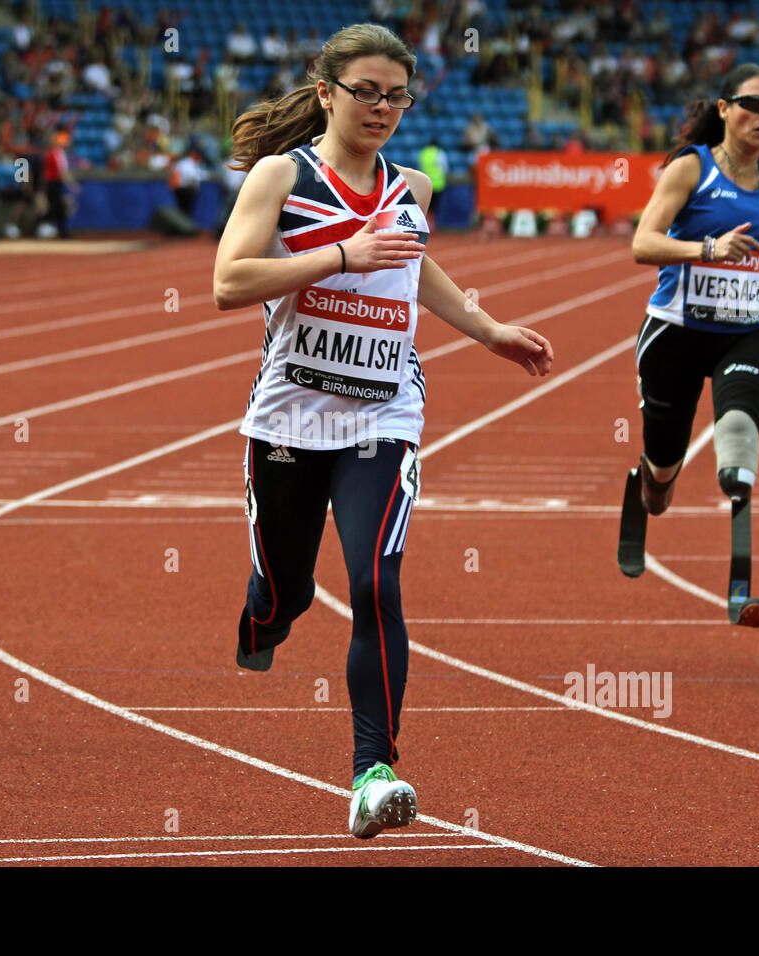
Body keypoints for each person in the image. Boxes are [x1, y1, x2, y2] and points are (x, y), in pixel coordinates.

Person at [213, 23, 553, 838]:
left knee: (373, 584)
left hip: (383, 414)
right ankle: (266, 612)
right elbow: (230, 280)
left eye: (398, 94)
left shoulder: (414, 186)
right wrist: (341, 256)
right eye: (366, 91)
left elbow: (414, 264)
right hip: (291, 417)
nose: (383, 107)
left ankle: (374, 773)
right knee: (289, 588)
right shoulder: (281, 175)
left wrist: (487, 327)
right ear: (325, 90)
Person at [616, 64, 759, 627]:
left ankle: (740, 572)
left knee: (737, 434)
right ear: (726, 108)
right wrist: (707, 249)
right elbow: (642, 244)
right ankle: (646, 485)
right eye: (754, 103)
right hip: (676, 333)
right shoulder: (691, 167)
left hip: (747, 331)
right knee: (663, 476)